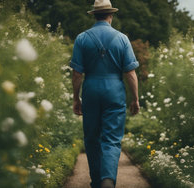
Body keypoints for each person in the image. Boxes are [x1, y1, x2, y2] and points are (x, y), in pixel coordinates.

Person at [69, 0, 140, 187]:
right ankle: (107, 180)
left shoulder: (82, 38)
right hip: (114, 91)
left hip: (91, 89)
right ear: (111, 15)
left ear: (94, 15)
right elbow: (130, 73)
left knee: (92, 138)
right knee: (112, 139)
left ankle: (96, 181)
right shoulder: (122, 38)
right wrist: (135, 99)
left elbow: (77, 74)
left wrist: (76, 98)